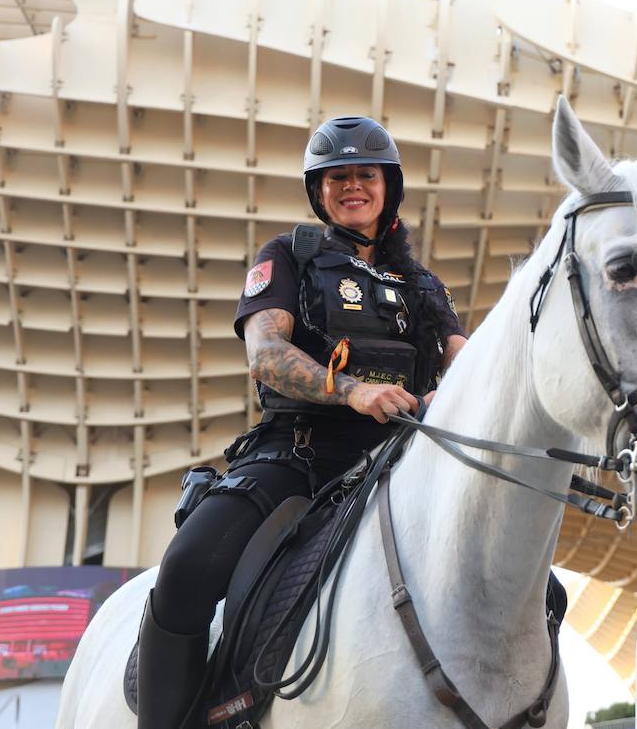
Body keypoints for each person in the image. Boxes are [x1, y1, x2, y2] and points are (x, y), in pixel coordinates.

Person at [136, 116, 466, 729]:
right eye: (337, 177)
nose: (353, 187)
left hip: (399, 464)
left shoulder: (424, 286)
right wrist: (351, 391)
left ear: (388, 186)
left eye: (365, 175)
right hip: (298, 456)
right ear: (319, 191)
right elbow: (265, 354)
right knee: (184, 571)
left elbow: (467, 367)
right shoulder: (287, 256)